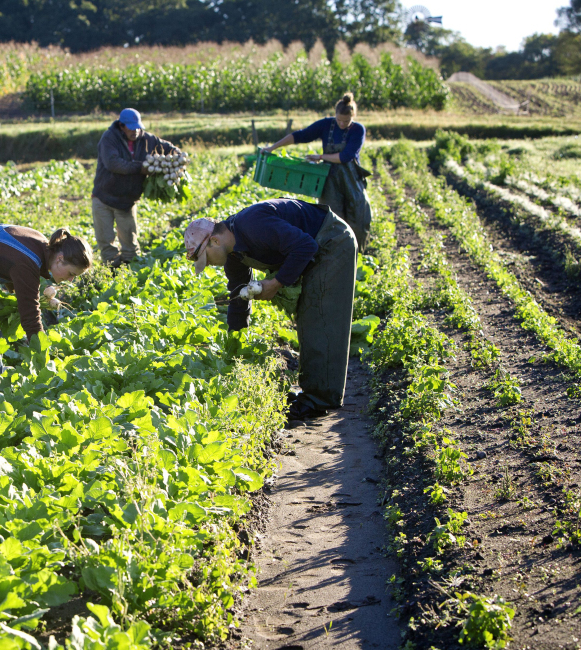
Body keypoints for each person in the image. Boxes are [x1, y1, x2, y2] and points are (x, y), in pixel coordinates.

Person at [183, 199, 357, 422]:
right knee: (309, 314)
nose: (208, 265)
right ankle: (312, 392)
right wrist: (235, 344)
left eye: (206, 259)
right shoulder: (233, 255)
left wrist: (275, 284)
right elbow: (238, 297)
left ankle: (319, 400)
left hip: (332, 240)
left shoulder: (253, 224)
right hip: (314, 243)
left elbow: (306, 246)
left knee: (320, 316)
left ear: (215, 241)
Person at [260, 92, 372, 251]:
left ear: (353, 117)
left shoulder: (358, 130)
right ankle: (335, 254)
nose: (341, 123)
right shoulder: (327, 125)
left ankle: (359, 253)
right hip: (330, 179)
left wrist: (320, 156)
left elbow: (346, 156)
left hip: (352, 180)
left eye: (346, 121)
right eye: (339, 119)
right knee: (332, 219)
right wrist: (272, 147)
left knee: (359, 218)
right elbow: (301, 135)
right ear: (335, 115)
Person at [0, 225, 92, 338]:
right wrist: (39, 348)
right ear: (60, 259)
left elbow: (4, 257)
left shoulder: (40, 243)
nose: (71, 279)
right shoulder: (29, 262)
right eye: (71, 273)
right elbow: (30, 314)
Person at [92, 108, 180, 267]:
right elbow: (113, 163)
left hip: (127, 200)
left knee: (130, 246)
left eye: (138, 127)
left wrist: (178, 158)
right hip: (104, 197)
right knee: (106, 242)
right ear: (121, 126)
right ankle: (112, 274)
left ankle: (131, 272)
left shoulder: (147, 139)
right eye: (132, 128)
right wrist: (140, 168)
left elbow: (169, 148)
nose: (136, 131)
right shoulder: (109, 139)